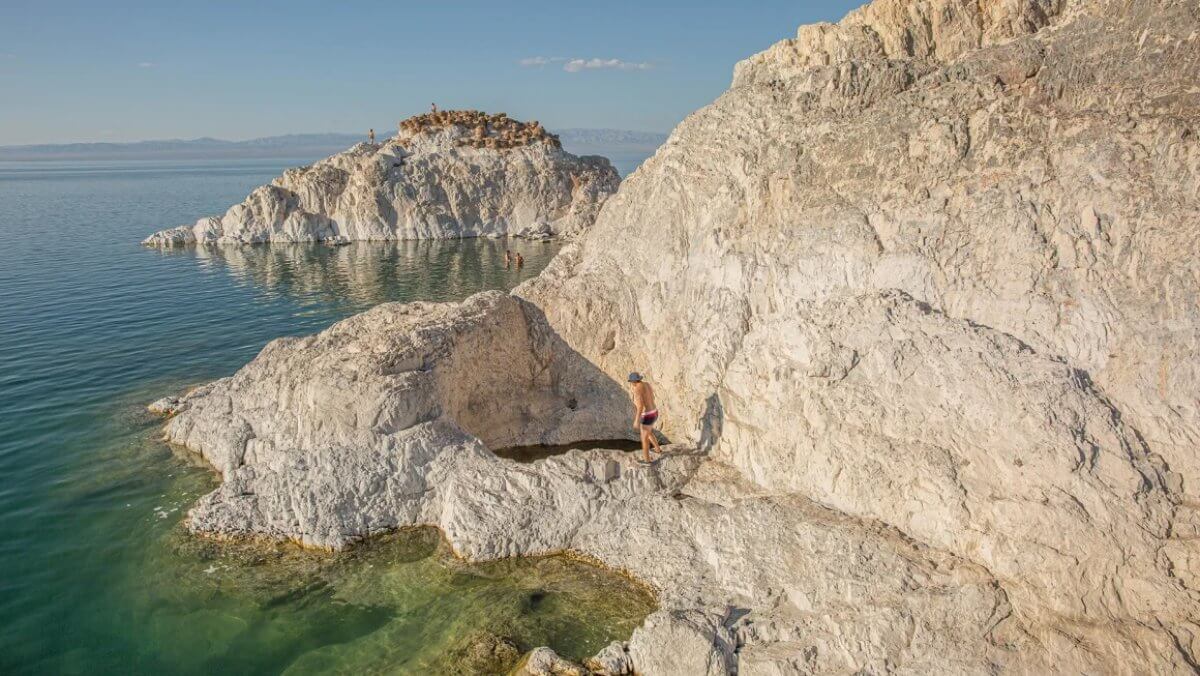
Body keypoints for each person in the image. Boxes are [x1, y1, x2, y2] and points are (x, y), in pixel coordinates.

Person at [628, 372, 663, 464]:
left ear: (633, 381)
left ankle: (647, 461)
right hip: (654, 412)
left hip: (648, 415)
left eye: (631, 381)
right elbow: (652, 397)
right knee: (648, 432)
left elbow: (640, 406)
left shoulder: (637, 390)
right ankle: (658, 449)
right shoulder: (646, 384)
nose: (631, 383)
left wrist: (636, 420)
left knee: (644, 438)